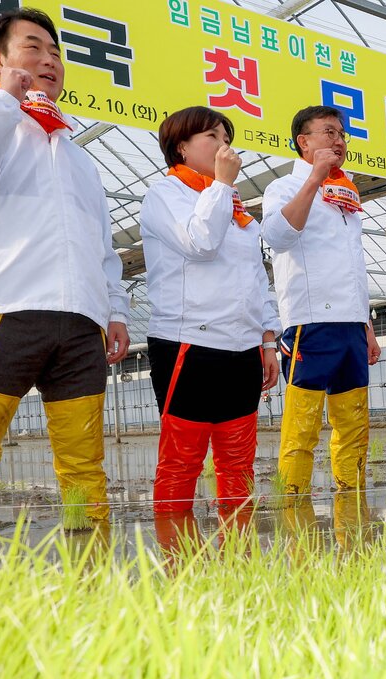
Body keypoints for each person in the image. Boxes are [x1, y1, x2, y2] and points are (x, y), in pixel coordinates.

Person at [0, 8, 129, 545]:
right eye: (33, 47)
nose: (49, 61)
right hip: (7, 306)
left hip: (80, 321)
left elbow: (102, 244)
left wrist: (113, 310)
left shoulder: (78, 157)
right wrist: (3, 101)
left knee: (83, 462)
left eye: (55, 53)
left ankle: (90, 580)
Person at [142, 106, 280, 516]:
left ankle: (237, 565)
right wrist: (221, 185)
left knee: (238, 464)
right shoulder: (165, 194)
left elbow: (257, 278)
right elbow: (199, 242)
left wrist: (268, 339)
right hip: (189, 342)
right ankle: (175, 564)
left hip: (242, 347)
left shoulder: (238, 212)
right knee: (182, 461)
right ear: (181, 147)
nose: (224, 146)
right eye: (212, 138)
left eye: (226, 139)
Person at [263, 105, 380, 495]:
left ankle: (353, 508)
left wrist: (366, 325)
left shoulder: (346, 197)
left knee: (353, 424)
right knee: (303, 426)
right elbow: (278, 237)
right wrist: (314, 178)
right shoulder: (282, 187)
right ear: (304, 141)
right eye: (328, 132)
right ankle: (293, 514)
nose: (338, 140)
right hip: (310, 324)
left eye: (342, 134)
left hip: (350, 325)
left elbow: (354, 267)